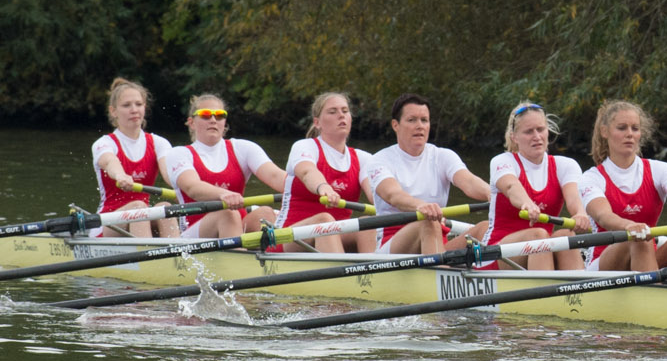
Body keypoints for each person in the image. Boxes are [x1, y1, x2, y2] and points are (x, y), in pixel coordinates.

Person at [578, 101, 667, 272]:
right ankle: (654, 294)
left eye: (635, 129)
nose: (629, 134)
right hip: (604, 264)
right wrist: (628, 225)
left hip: (647, 254)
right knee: (638, 239)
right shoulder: (592, 178)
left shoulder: (661, 170)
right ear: (604, 132)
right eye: (622, 128)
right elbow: (604, 216)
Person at [364, 94, 490, 254]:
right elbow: (393, 195)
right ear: (396, 125)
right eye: (412, 120)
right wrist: (420, 206)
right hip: (393, 247)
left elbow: (469, 182)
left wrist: (491, 193)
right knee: (427, 222)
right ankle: (439, 273)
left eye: (424, 120)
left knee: (484, 228)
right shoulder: (380, 160)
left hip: (437, 242)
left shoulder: (443, 156)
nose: (420, 126)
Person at [168, 93, 289, 239]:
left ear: (224, 122)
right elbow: (192, 187)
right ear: (192, 122)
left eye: (219, 115)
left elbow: (276, 176)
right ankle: (239, 258)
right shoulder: (179, 154)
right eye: (205, 115)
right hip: (195, 235)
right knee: (227, 213)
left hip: (237, 226)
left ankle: (271, 258)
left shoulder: (243, 148)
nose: (213, 120)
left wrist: (316, 187)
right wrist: (222, 194)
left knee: (265, 213)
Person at [485, 102, 587, 271]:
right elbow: (511, 187)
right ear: (514, 137)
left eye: (540, 129)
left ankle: (578, 296)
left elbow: (574, 197)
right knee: (538, 235)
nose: (537, 136)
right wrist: (527, 203)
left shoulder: (565, 165)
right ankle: (546, 294)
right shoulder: (502, 161)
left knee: (565, 235)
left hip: (540, 249)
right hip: (496, 254)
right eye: (528, 131)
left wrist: (580, 213)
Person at [279, 91, 379, 254]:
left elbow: (377, 194)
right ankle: (341, 277)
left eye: (345, 111)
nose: (341, 116)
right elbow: (306, 172)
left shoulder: (363, 159)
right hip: (289, 237)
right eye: (333, 112)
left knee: (368, 223)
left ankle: (373, 275)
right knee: (325, 220)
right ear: (317, 122)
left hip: (337, 236)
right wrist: (323, 187)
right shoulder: (304, 147)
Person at [90, 78, 178, 238]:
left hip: (140, 218)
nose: (134, 109)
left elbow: (169, 173)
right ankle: (148, 258)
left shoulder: (159, 143)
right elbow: (110, 161)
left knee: (165, 206)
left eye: (138, 104)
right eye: (126, 105)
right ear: (113, 111)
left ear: (145, 107)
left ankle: (178, 259)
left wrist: (184, 187)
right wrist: (120, 175)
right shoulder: (104, 143)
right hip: (108, 222)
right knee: (139, 207)